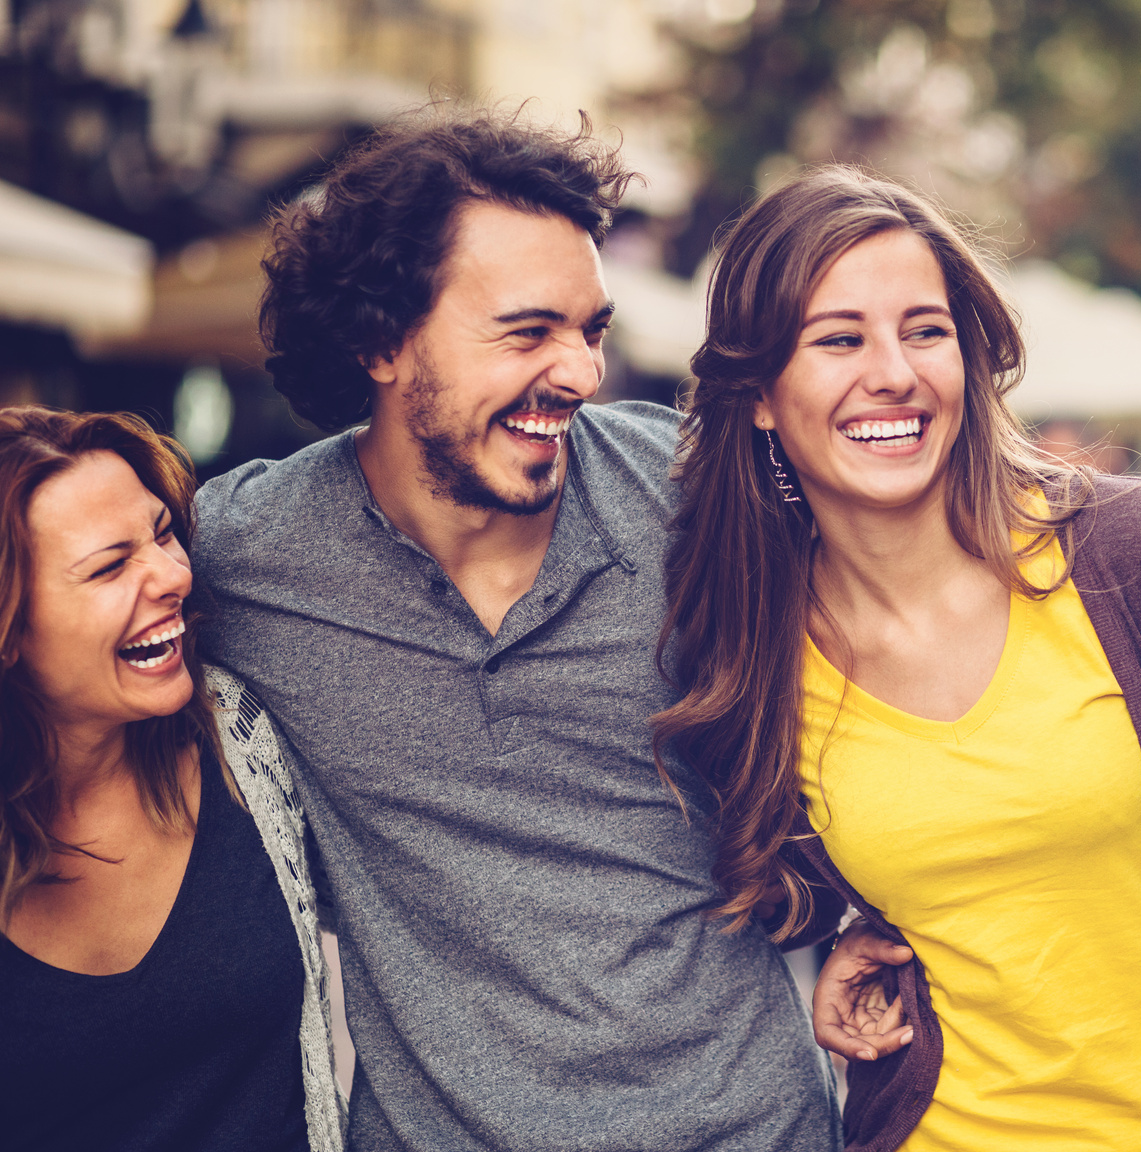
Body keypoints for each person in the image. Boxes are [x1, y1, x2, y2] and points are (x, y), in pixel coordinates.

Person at [654, 165, 1141, 1152]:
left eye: (924, 330)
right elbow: (814, 885)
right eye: (839, 338)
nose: (892, 371)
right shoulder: (752, 647)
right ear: (762, 396)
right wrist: (848, 940)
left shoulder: (1132, 549)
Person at [190, 109, 840, 1151]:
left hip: (748, 1125)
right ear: (380, 340)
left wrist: (860, 914)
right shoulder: (240, 556)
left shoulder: (696, 496)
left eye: (591, 331)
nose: (582, 374)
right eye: (528, 331)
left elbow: (919, 613)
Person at [0, 407, 344, 1152]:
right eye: (109, 565)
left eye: (163, 533)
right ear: (10, 631)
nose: (176, 574)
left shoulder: (243, 742)